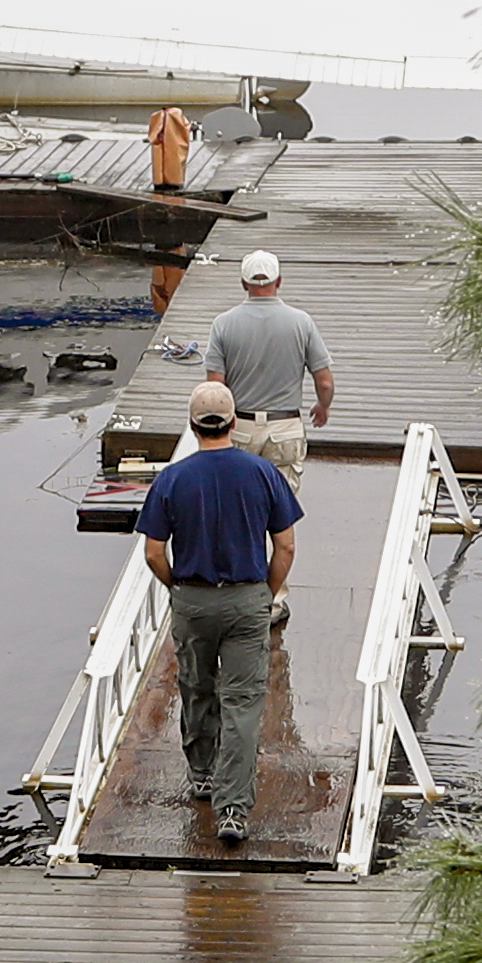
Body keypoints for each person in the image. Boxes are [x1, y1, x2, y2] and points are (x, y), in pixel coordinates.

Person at [136, 375, 304, 848]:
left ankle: (203, 775)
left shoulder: (172, 478)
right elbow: (286, 545)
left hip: (192, 598)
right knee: (244, 701)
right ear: (233, 421)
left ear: (193, 426)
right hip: (248, 598)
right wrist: (265, 593)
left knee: (195, 686)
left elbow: (153, 552)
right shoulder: (262, 473)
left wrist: (178, 588)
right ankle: (233, 809)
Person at [208, 247, 334, 478]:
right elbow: (324, 382)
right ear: (279, 282)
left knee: (240, 500)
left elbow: (215, 387)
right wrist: (322, 406)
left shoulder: (223, 324)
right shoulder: (302, 322)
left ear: (244, 284)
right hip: (284, 428)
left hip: (240, 427)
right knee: (281, 504)